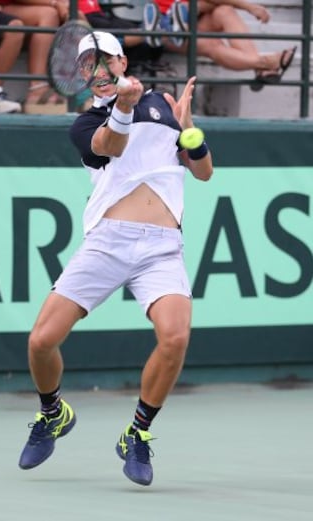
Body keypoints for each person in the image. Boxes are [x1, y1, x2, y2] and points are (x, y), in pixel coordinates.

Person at [18, 30, 213, 486]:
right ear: (82, 77)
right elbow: (113, 146)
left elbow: (203, 172)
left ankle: (137, 433)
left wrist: (187, 130)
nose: (96, 72)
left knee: (175, 337)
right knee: (40, 341)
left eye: (103, 61)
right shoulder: (85, 124)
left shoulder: (165, 106)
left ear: (122, 62)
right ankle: (53, 413)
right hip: (108, 241)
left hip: (162, 245)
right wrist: (124, 105)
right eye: (87, 66)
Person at [143, 0, 297, 90]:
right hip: (166, 31)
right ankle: (264, 63)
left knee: (225, 10)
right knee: (211, 42)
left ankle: (261, 66)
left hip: (194, 21)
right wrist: (249, 7)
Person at [0, 0, 69, 113]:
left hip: (35, 6)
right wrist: (54, 3)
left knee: (76, 14)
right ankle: (37, 88)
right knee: (49, 14)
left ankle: (85, 90)